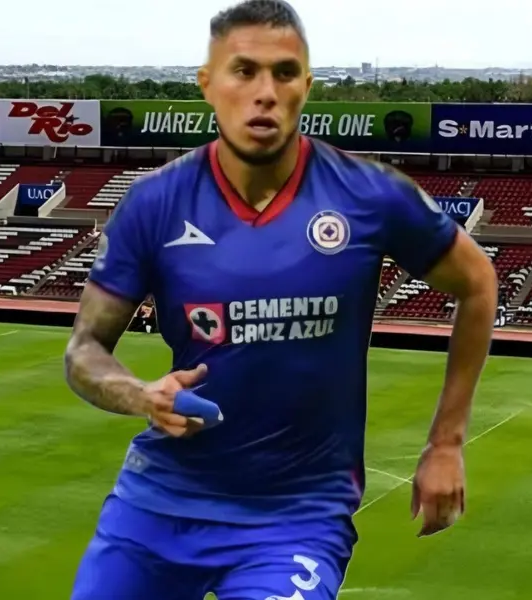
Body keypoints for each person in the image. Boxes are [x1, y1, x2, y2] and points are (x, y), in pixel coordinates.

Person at [63, 1, 498, 598]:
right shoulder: (153, 203)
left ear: (307, 87)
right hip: (159, 507)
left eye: (285, 73)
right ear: (207, 85)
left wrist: (446, 443)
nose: (264, 92)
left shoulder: (369, 195)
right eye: (243, 71)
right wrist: (141, 395)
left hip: (296, 518)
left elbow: (478, 283)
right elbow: (84, 351)